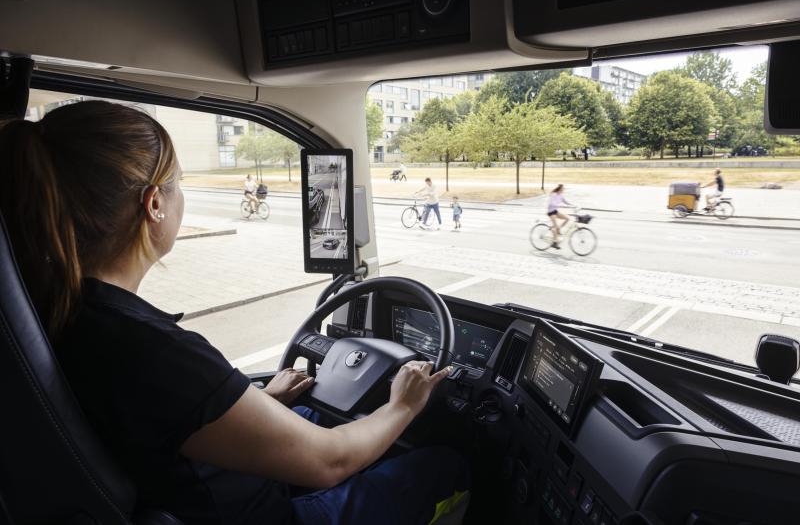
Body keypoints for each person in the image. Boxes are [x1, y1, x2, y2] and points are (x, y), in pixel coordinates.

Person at [0, 101, 468, 525]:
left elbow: (166, 418)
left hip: (186, 496)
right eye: (177, 182)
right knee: (445, 465)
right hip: (254, 514)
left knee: (309, 410)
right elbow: (331, 462)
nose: (180, 194)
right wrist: (404, 404)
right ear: (154, 204)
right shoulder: (151, 350)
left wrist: (261, 400)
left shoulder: (59, 312)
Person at [547, 184, 574, 250]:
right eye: (563, 189)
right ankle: (554, 243)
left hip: (555, 211)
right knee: (555, 227)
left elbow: (566, 202)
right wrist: (559, 205)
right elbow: (551, 203)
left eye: (563, 189)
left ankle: (558, 229)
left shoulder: (561, 195)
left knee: (567, 218)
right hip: (551, 212)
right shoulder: (554, 194)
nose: (563, 190)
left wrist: (573, 205)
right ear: (559, 189)